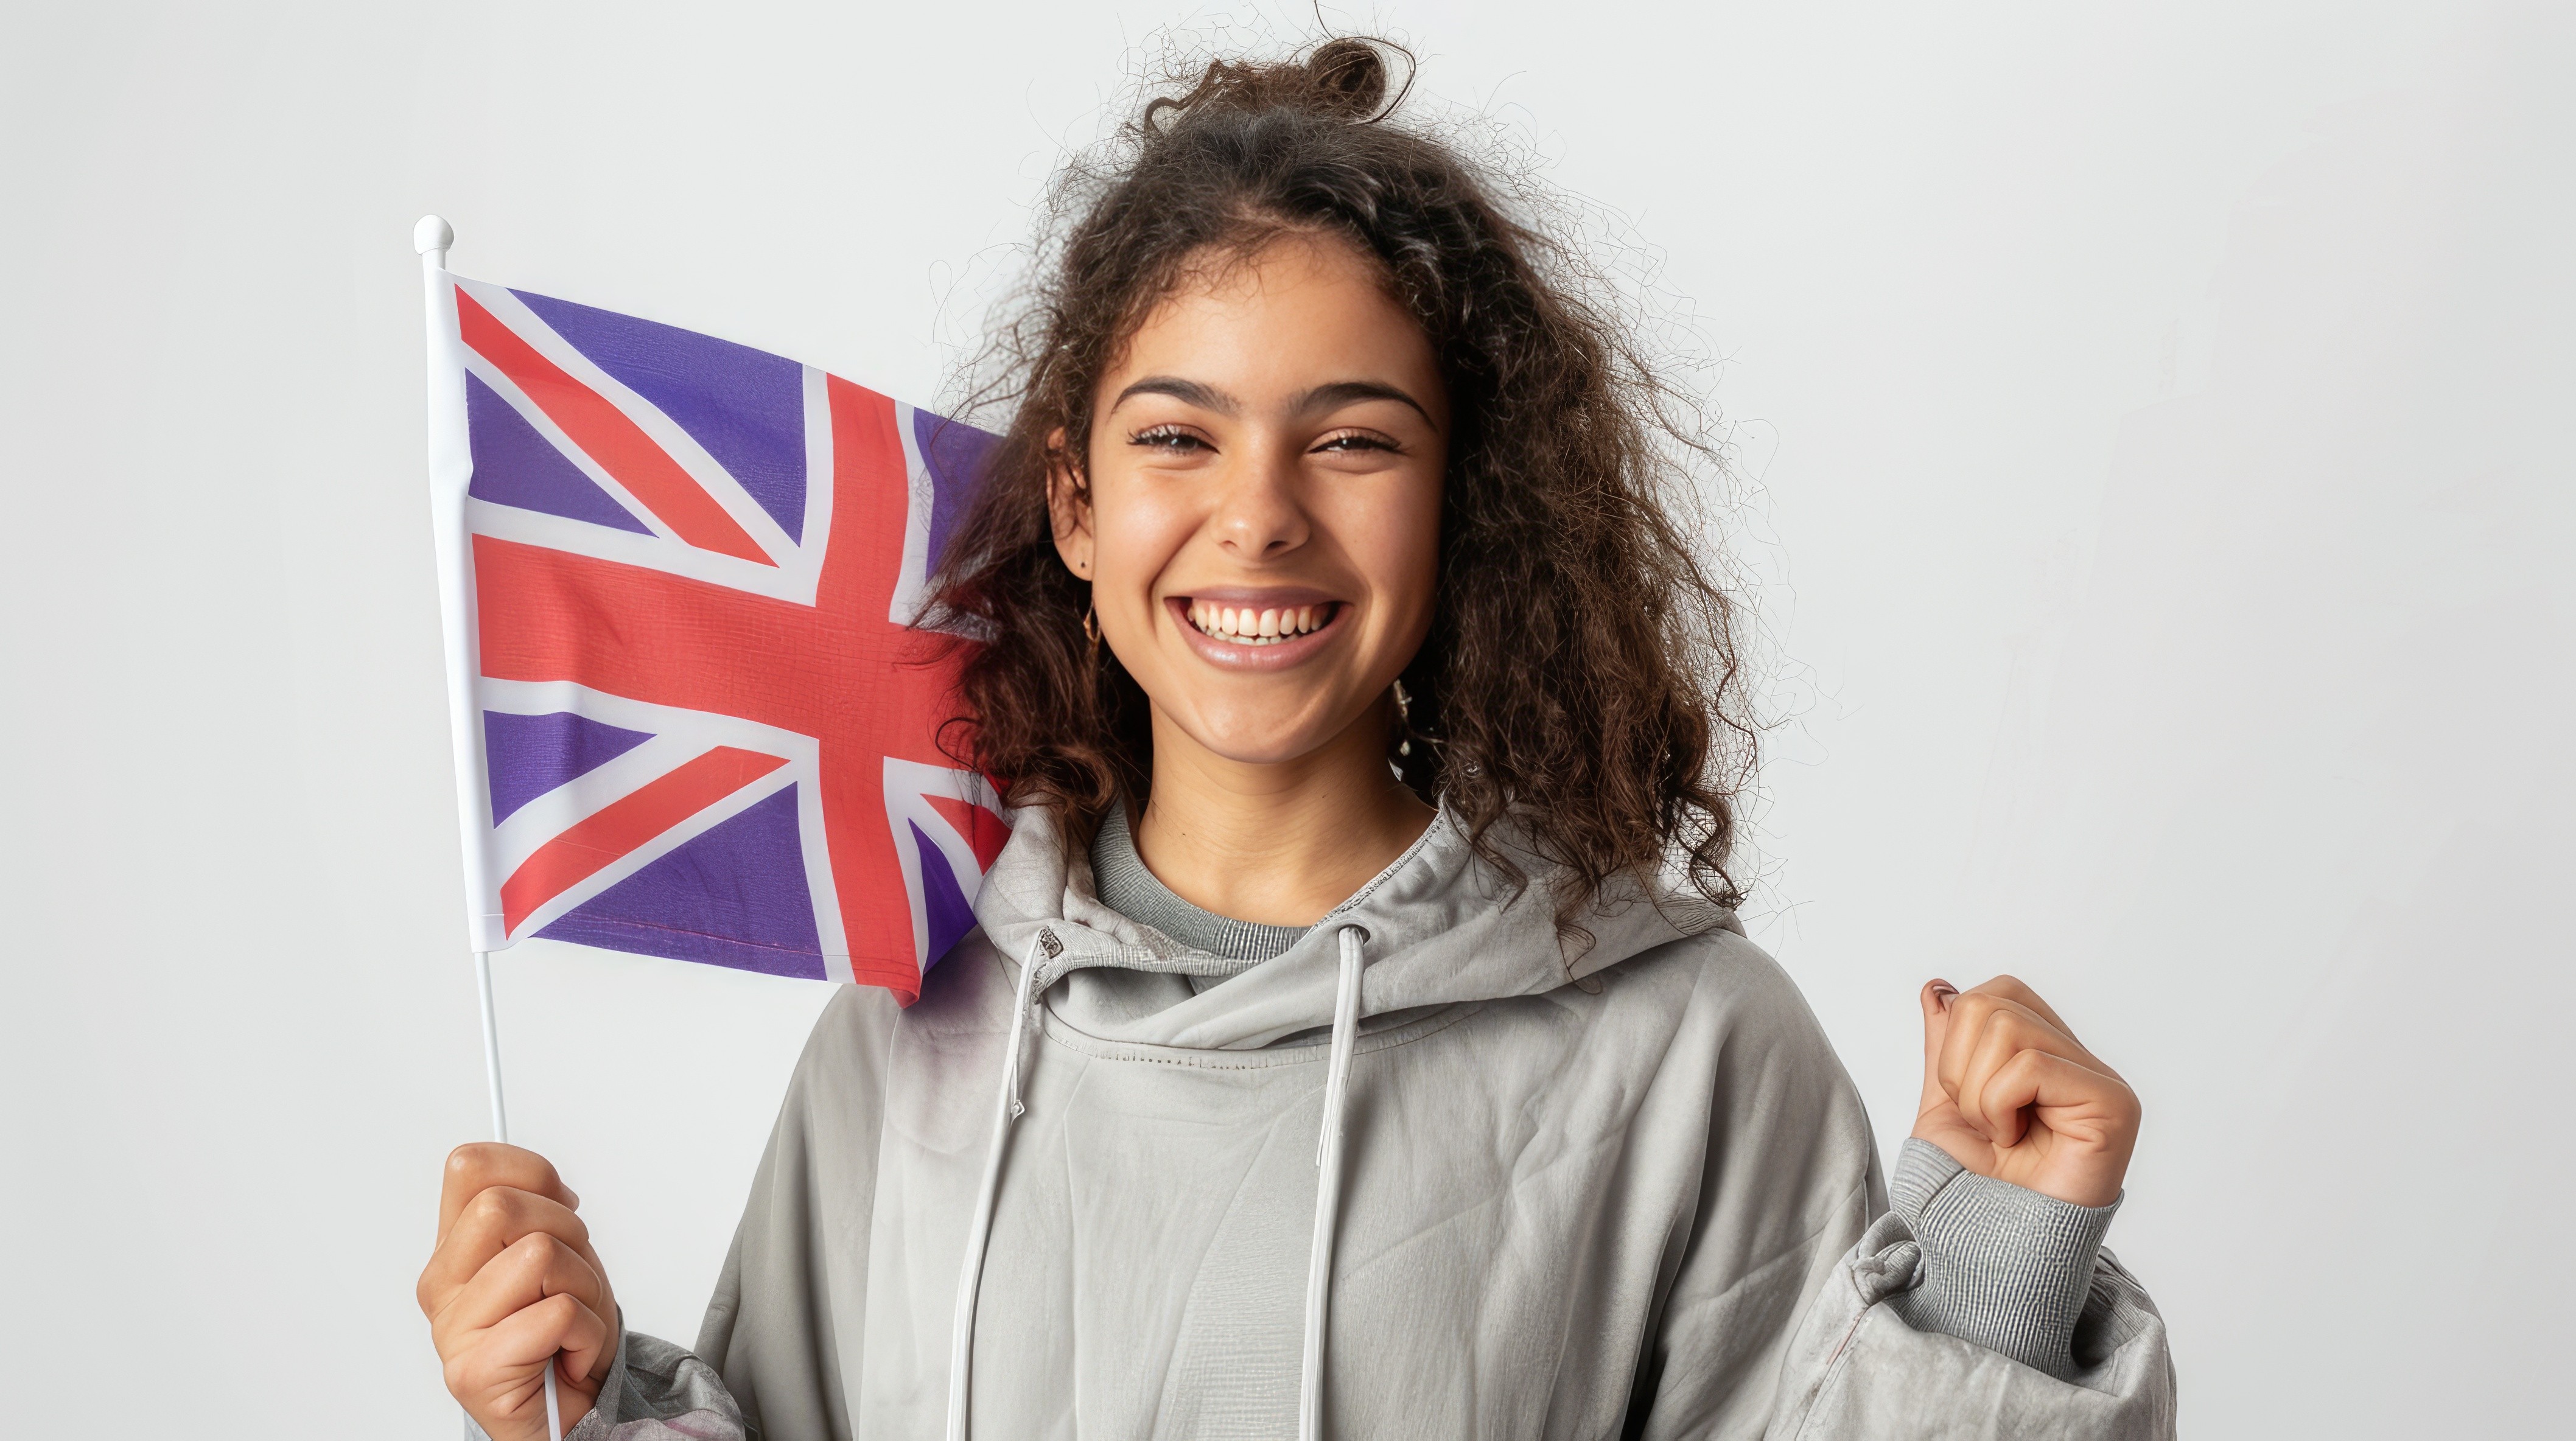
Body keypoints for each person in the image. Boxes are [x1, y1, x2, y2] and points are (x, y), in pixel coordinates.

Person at [418, 38, 2175, 1440]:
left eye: (1352, 442)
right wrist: (570, 1400)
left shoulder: (1686, 1050)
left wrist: (2001, 1268)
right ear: (1078, 508)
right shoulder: (918, 1018)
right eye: (1179, 438)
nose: (1256, 519)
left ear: (1465, 505)